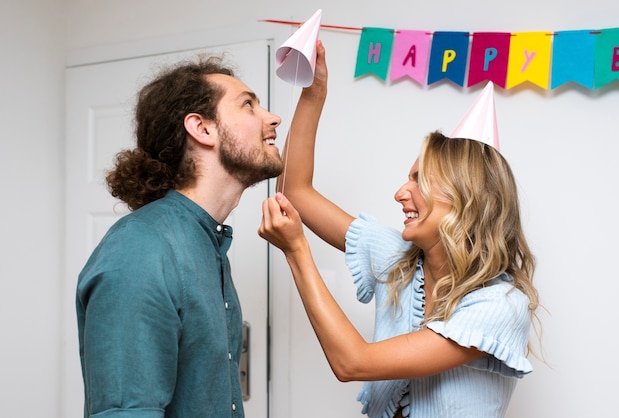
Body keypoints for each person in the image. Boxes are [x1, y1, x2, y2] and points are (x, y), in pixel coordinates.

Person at [258, 41, 540, 418]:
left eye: (419, 179)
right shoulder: (397, 259)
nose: (400, 193)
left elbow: (353, 363)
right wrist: (314, 92)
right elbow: (295, 190)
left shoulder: (500, 306)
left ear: (465, 198)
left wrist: (296, 251)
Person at [76, 55, 283, 418]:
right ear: (202, 129)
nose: (271, 117)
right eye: (248, 105)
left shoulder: (209, 245)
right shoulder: (140, 250)